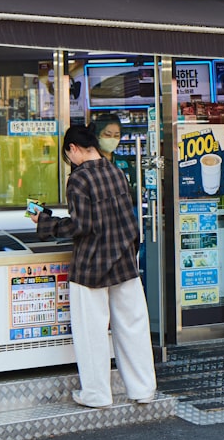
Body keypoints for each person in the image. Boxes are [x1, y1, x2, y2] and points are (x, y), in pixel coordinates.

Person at [30, 125, 156, 407]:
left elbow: (81, 225)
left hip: (92, 264)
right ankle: (143, 388)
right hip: (124, 260)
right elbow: (126, 218)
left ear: (73, 148)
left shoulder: (79, 179)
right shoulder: (115, 172)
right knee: (133, 326)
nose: (70, 161)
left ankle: (97, 393)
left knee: (91, 331)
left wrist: (45, 223)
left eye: (68, 155)